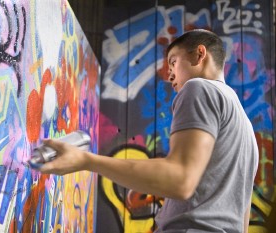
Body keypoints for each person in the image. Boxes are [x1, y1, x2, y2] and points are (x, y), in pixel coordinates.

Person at [37, 29, 259, 232]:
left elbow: (180, 180)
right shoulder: (245, 126)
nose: (169, 75)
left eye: (173, 62)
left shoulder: (198, 88)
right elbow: (242, 218)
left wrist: (86, 161)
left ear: (199, 54)